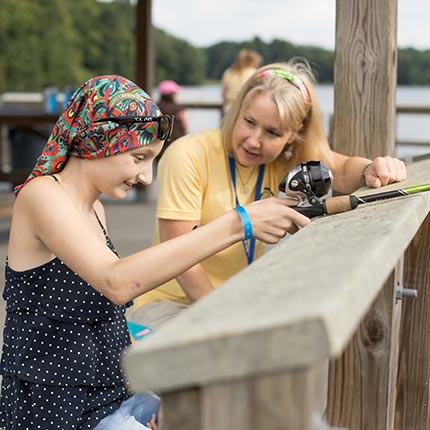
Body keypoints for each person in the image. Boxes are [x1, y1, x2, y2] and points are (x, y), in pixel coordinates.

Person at [0, 74, 311, 430]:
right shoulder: (43, 196)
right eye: (139, 158)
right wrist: (237, 224)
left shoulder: (94, 210)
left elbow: (100, 317)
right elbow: (117, 281)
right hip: (58, 409)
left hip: (112, 395)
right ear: (102, 140)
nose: (147, 177)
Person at [128, 59, 407, 331]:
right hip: (169, 303)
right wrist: (224, 321)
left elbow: (344, 168)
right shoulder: (187, 154)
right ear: (237, 109)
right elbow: (179, 253)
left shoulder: (288, 159)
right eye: (249, 121)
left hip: (237, 303)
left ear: (294, 133)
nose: (253, 140)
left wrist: (374, 168)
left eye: (272, 132)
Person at [221, 49, 262, 114]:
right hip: (246, 110)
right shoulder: (254, 73)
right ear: (252, 62)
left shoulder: (229, 72)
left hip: (228, 109)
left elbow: (224, 94)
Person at [156, 80, 188, 156]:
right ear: (172, 94)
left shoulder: (156, 108)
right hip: (175, 144)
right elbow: (184, 126)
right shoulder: (178, 109)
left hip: (159, 145)